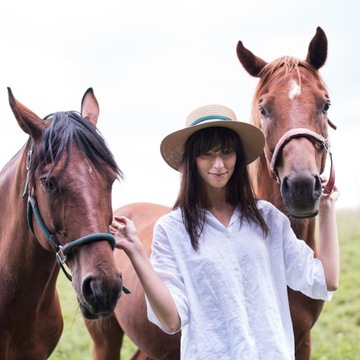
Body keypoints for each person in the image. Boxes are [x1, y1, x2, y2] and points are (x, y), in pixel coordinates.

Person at [110, 104, 340, 359]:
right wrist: (135, 251)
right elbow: (172, 319)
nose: (218, 164)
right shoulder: (172, 229)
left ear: (238, 157)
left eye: (227, 153)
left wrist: (327, 208)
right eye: (207, 154)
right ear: (192, 160)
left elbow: (325, 279)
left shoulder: (267, 218)